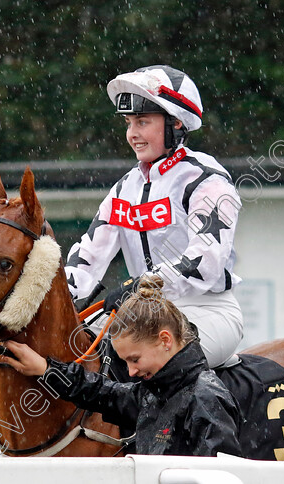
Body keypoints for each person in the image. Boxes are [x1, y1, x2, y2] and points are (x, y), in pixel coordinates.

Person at [65, 65, 244, 369]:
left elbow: (205, 263)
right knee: (67, 353)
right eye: (129, 123)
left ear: (175, 124)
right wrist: (51, 297)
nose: (132, 134)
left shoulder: (207, 179)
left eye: (143, 122)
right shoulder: (124, 188)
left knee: (143, 358)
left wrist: (139, 288)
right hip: (140, 316)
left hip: (208, 310)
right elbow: (87, 258)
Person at [2, 277, 243, 457]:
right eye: (125, 362)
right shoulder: (152, 393)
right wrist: (45, 369)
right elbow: (99, 391)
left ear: (165, 340)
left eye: (135, 359)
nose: (130, 373)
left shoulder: (205, 399)